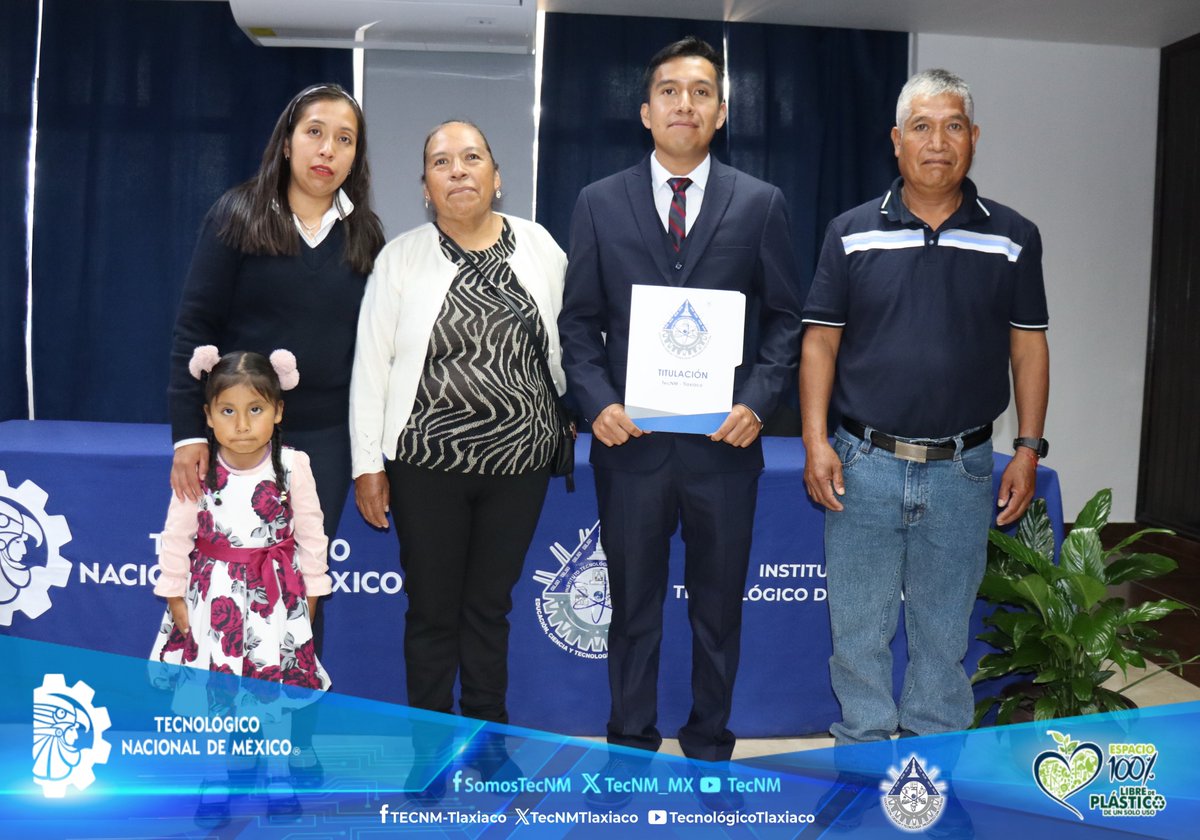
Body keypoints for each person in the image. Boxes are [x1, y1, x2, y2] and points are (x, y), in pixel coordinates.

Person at [556, 36, 803, 774]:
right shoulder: (599, 202)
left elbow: (788, 320)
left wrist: (758, 402)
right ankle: (629, 744)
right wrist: (594, 401)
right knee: (630, 608)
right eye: (669, 90)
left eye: (700, 92)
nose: (684, 104)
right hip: (629, 446)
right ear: (645, 110)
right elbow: (577, 322)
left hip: (725, 447)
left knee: (717, 610)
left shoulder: (761, 204)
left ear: (721, 113)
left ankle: (708, 747)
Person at [800, 68, 1050, 745]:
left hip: (964, 468)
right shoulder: (850, 233)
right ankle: (864, 754)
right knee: (858, 630)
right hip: (863, 462)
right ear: (896, 141)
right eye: (921, 126)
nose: (937, 142)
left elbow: (1028, 350)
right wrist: (816, 440)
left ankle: (931, 774)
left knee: (943, 634)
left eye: (952, 126)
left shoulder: (1013, 236)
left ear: (972, 138)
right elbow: (819, 343)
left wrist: (1028, 447)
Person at [167, 82, 384, 783]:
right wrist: (188, 436)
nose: (328, 150)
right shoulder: (236, 216)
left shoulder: (364, 234)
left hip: (323, 440)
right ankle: (228, 749)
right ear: (287, 140)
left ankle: (292, 739)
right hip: (237, 442)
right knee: (227, 599)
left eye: (344, 138)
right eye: (315, 132)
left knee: (299, 597)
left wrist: (372, 452)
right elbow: (194, 328)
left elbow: (377, 353)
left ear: (357, 154)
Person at [350, 121, 566, 743]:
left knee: (489, 609)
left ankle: (488, 738)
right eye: (441, 162)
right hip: (425, 468)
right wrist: (370, 464)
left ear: (497, 177)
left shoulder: (540, 246)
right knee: (432, 612)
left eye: (472, 157)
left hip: (519, 468)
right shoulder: (400, 258)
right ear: (426, 187)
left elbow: (574, 336)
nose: (459, 170)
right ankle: (428, 742)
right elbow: (372, 364)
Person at [151, 347, 331, 824]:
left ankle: (278, 777)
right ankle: (215, 777)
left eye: (255, 410)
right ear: (208, 416)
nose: (243, 424)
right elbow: (176, 537)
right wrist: (176, 600)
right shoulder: (200, 469)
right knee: (216, 697)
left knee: (273, 694)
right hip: (213, 602)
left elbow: (312, 535)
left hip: (275, 600)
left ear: (278, 411)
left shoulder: (295, 466)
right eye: (228, 411)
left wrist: (310, 598)